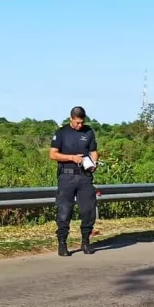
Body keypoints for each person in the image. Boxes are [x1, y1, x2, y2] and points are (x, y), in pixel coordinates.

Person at [49, 106, 99, 256]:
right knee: (65, 211)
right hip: (67, 176)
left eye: (81, 122)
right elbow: (53, 154)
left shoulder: (88, 131)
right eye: (77, 122)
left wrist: (93, 164)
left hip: (84, 176)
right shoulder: (61, 132)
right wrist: (71, 158)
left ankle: (85, 242)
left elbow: (94, 151)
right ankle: (62, 244)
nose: (79, 125)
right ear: (71, 118)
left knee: (88, 210)